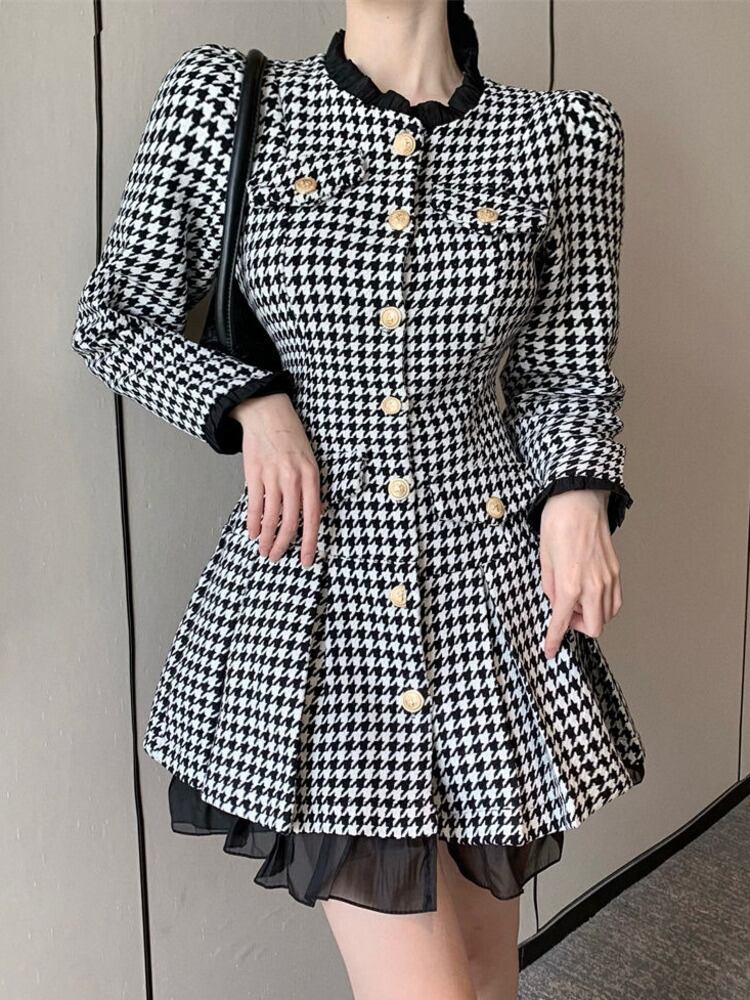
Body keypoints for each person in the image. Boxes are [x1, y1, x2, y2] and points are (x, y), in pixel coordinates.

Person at [71, 1, 646, 997]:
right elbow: (113, 317)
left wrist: (578, 497)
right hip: (319, 610)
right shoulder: (231, 101)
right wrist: (250, 400)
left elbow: (566, 373)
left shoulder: (565, 135)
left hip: (490, 604)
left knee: (486, 978)